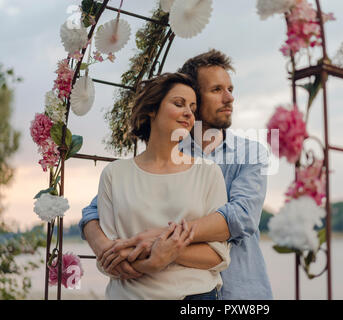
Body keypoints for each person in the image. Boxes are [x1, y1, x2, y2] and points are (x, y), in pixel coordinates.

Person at [79, 49, 273, 300]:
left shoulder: (251, 152)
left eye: (230, 89)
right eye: (216, 90)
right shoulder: (163, 152)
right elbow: (94, 211)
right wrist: (107, 253)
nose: (229, 98)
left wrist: (160, 239)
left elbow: (242, 217)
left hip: (241, 293)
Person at [95, 72, 230, 300]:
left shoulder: (208, 173)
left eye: (193, 108)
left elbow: (217, 256)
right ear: (152, 109)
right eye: (179, 104)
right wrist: (156, 256)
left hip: (195, 298)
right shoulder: (114, 174)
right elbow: (111, 256)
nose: (188, 113)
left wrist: (165, 253)